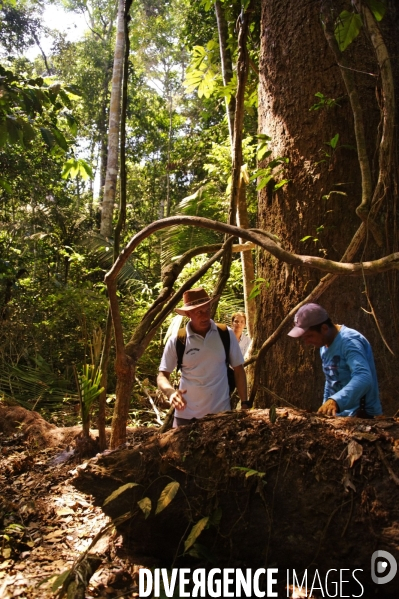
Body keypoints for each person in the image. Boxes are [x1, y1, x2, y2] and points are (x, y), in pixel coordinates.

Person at [157, 288, 249, 427]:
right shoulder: (178, 340)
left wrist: (244, 403)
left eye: (207, 310)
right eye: (199, 312)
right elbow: (162, 375)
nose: (205, 316)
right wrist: (171, 393)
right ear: (188, 313)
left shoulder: (225, 334)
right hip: (185, 416)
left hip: (220, 415)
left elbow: (238, 369)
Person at [287, 303, 382, 418]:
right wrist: (325, 406)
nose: (307, 342)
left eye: (310, 336)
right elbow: (331, 379)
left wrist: (335, 401)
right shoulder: (324, 345)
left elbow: (363, 377)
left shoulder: (350, 342)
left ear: (324, 328)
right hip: (339, 417)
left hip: (363, 416)